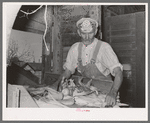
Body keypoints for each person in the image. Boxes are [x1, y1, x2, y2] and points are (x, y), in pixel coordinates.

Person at [57, 18, 123, 107]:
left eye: (90, 33)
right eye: (84, 33)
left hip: (107, 92)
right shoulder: (75, 48)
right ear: (79, 32)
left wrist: (113, 92)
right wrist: (58, 84)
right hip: (86, 92)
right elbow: (68, 71)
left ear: (95, 31)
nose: (87, 37)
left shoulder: (104, 48)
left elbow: (118, 72)